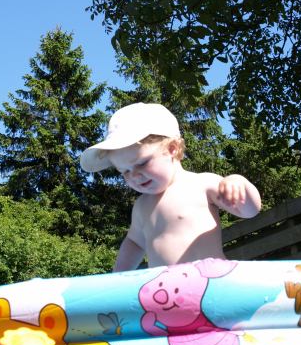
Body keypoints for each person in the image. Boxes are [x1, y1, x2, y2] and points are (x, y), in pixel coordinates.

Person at [80, 102, 261, 271]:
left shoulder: (201, 184)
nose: (134, 175)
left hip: (209, 282)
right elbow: (134, 243)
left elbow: (250, 211)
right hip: (164, 291)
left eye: (142, 163)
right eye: (125, 171)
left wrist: (238, 183)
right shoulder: (141, 206)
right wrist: (118, 277)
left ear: (172, 148)